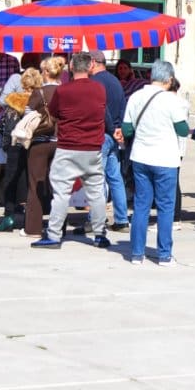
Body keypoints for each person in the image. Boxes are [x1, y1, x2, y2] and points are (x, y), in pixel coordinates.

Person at [34, 52, 111, 250]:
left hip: (68, 146)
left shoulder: (63, 91)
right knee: (96, 194)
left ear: (70, 67)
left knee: (61, 193)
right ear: (91, 66)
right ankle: (100, 234)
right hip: (93, 147)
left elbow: (54, 113)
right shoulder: (99, 89)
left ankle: (53, 235)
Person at [123, 59, 190, 265]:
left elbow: (127, 129)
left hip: (141, 157)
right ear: (169, 79)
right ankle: (164, 254)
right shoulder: (171, 101)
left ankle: (136, 253)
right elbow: (182, 130)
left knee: (141, 205)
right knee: (165, 207)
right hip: (165, 158)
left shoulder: (135, 96)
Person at [88, 51, 129, 232]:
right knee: (115, 178)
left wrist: (112, 129)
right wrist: (118, 130)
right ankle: (121, 219)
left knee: (97, 179)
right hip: (114, 135)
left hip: (103, 133)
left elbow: (101, 109)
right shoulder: (115, 81)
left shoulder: (96, 82)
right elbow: (122, 106)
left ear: (93, 62)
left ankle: (95, 220)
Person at [23, 56, 63, 236]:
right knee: (60, 187)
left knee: (35, 184)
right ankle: (59, 227)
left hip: (40, 142)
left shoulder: (38, 93)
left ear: (46, 72)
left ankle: (33, 228)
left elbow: (27, 116)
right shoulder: (66, 91)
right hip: (61, 142)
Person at [0, 83, 36, 233]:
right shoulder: (41, 101)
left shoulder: (14, 101)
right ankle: (30, 217)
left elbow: (6, 127)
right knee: (31, 181)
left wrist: (7, 145)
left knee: (11, 181)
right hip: (35, 145)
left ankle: (9, 217)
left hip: (16, 144)